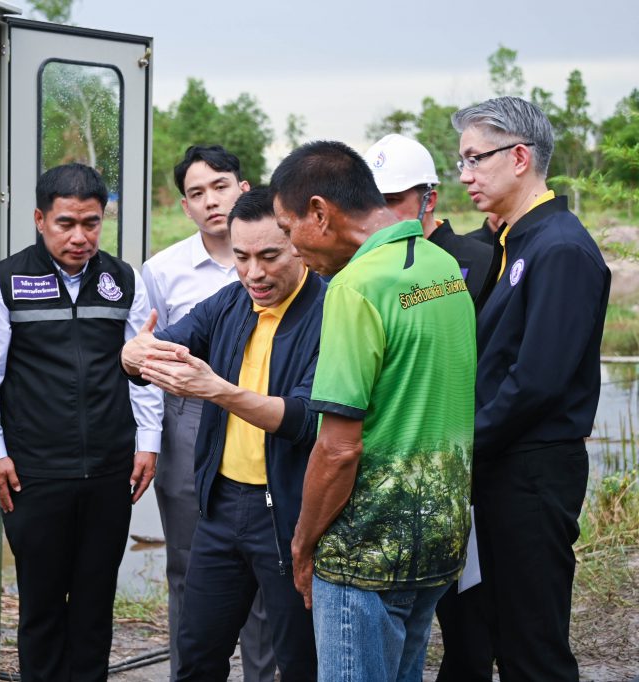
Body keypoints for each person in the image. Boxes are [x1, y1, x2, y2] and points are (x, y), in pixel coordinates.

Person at [273, 141, 476, 682]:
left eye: (288, 228)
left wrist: (302, 543)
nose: (291, 249)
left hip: (367, 551)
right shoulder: (443, 267)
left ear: (320, 213)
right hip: (440, 536)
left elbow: (339, 448)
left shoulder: (355, 287)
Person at [0, 163, 161, 681]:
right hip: (35, 472)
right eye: (66, 223)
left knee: (96, 604)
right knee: (43, 605)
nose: (80, 237)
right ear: (39, 219)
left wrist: (148, 442)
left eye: (91, 223)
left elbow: (143, 369)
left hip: (109, 469)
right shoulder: (3, 281)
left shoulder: (123, 281)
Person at [123, 187, 321, 681]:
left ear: (298, 244)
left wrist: (216, 389)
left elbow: (302, 418)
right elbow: (163, 345)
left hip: (288, 513)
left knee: (298, 659)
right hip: (221, 506)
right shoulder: (230, 301)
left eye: (269, 256)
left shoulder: (329, 310)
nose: (254, 273)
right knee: (196, 652)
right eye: (242, 257)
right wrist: (135, 355)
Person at [451, 96, 611, 681]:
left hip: (532, 473)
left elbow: (537, 381)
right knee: (497, 631)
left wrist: (459, 445)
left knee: (533, 647)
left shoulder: (560, 247)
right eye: (460, 161)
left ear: (519, 157)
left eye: (475, 158)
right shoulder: (511, 242)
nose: (464, 174)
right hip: (499, 466)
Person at [141, 145, 276, 681]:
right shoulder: (163, 270)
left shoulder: (282, 257)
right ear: (184, 206)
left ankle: (260, 674)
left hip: (264, 419)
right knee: (190, 566)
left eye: (220, 186)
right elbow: (148, 354)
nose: (210, 201)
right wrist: (148, 441)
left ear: (243, 189)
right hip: (189, 423)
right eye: (196, 194)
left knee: (267, 568)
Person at [364, 133, 496, 305]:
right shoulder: (367, 267)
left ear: (429, 201)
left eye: (391, 200)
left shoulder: (484, 262)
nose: (380, 213)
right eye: (372, 202)